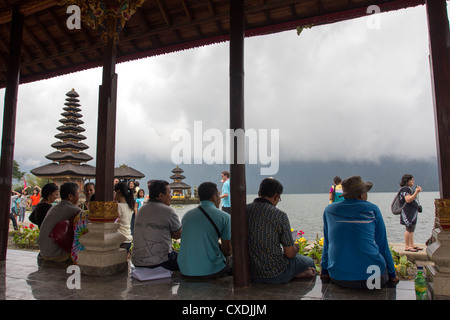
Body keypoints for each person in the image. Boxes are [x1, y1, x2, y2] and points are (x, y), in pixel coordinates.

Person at [320, 176, 399, 288]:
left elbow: (327, 243)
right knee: (381, 268)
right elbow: (382, 245)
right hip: (372, 279)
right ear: (362, 194)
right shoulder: (372, 209)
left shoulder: (329, 210)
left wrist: (324, 272)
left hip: (338, 277)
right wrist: (392, 275)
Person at [247, 178, 316, 284]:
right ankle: (290, 276)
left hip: (248, 272)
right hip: (274, 273)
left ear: (259, 193)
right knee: (309, 261)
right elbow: (289, 254)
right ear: (276, 196)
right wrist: (296, 247)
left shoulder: (243, 210)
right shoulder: (279, 215)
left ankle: (293, 275)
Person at [178, 182, 232, 278]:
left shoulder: (187, 215)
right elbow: (227, 251)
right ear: (214, 197)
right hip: (210, 271)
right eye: (219, 195)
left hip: (184, 269)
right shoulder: (225, 217)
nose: (220, 199)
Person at [132, 180, 181, 271]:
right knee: (186, 259)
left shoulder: (141, 209)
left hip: (137, 262)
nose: (171, 196)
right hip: (159, 262)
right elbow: (178, 234)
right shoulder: (167, 211)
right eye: (169, 193)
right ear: (161, 196)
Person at [38, 182, 82, 263]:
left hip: (43, 252)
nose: (79, 197)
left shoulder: (54, 207)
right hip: (56, 255)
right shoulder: (73, 209)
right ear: (70, 196)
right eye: (78, 194)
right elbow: (87, 217)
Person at [398, 174, 423, 252]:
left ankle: (412, 245)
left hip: (412, 211)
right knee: (408, 228)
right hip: (407, 211)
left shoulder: (409, 189)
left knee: (412, 228)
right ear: (407, 181)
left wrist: (416, 192)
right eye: (412, 180)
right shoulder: (405, 189)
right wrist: (416, 192)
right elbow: (408, 200)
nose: (413, 181)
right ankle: (407, 246)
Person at [114, 182, 134, 253]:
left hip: (120, 238)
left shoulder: (119, 206)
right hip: (128, 238)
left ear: (118, 191)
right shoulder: (130, 206)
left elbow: (116, 220)